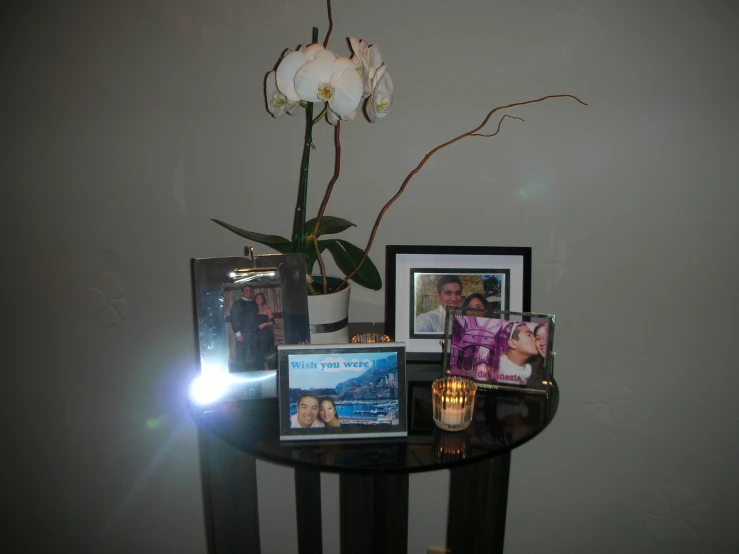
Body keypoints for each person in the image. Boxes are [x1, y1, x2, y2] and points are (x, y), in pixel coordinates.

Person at [230, 285, 258, 367]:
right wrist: (238, 333)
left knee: (254, 354)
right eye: (246, 290)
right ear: (242, 292)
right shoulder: (237, 304)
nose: (248, 292)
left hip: (254, 333)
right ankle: (242, 372)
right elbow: (234, 318)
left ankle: (254, 374)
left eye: (250, 290)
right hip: (243, 333)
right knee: (242, 355)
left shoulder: (254, 304)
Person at [254, 293, 276, 370]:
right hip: (257, 334)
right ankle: (261, 369)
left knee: (265, 351)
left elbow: (273, 321)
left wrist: (265, 324)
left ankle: (268, 369)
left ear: (263, 299)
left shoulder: (266, 308)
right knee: (259, 351)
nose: (258, 299)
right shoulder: (254, 309)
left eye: (260, 298)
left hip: (265, 334)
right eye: (256, 298)